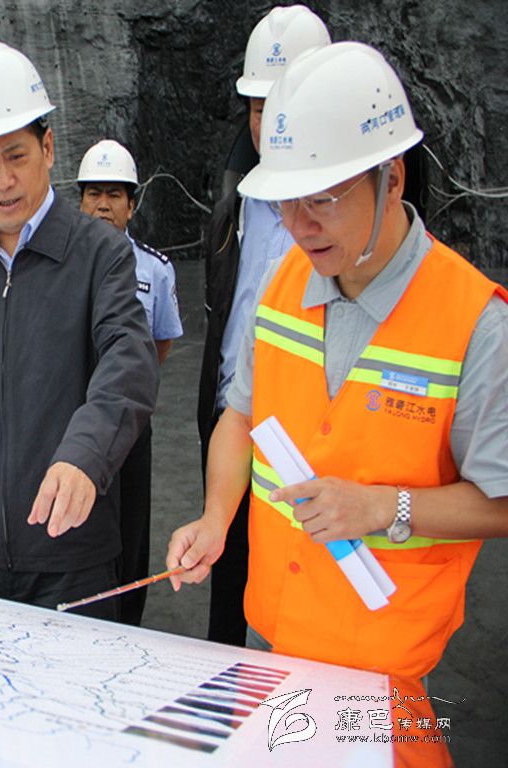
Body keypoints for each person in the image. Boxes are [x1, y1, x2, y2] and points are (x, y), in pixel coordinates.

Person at [167, 43, 508, 683]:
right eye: (287, 201)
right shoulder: (282, 285)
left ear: (392, 179)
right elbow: (239, 417)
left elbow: (501, 502)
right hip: (274, 635)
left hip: (383, 664)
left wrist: (385, 508)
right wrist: (216, 519)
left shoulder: (475, 323)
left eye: (321, 199)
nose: (299, 226)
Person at [0, 42, 159, 619]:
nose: (3, 180)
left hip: (71, 556)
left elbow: (128, 362)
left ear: (49, 147)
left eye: (16, 155)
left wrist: (85, 456)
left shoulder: (101, 255)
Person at [195, 4, 330, 646]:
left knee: (304, 608)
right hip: (233, 426)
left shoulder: (349, 224)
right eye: (257, 107)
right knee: (230, 591)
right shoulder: (235, 208)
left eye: (284, 106)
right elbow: (225, 324)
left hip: (311, 449)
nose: (268, 123)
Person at [76, 138, 183, 625]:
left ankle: (128, 621)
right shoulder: (61, 264)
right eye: (94, 193)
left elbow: (160, 342)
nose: (103, 205)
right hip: (75, 419)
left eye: (114, 195)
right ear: (80, 201)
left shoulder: (155, 270)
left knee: (132, 526)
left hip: (131, 425)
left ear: (132, 205)